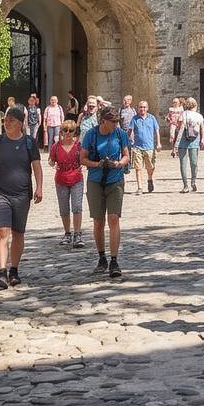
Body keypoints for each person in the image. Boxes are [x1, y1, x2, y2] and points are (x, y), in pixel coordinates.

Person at [0, 107, 43, 289]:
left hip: (22, 195)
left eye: (11, 120)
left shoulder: (29, 143)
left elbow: (37, 167)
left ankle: (14, 269)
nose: (6, 123)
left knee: (18, 233)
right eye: (5, 120)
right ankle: (2, 272)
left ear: (20, 123)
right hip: (1, 193)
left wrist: (39, 187)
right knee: (2, 232)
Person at [82, 103, 130, 278]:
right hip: (95, 180)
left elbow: (126, 155)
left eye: (117, 121)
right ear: (103, 121)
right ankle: (102, 256)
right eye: (113, 122)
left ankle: (114, 260)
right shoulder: (91, 135)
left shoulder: (120, 134)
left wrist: (118, 163)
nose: (116, 125)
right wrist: (98, 164)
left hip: (115, 179)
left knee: (114, 218)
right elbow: (82, 158)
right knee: (98, 221)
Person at [49, 112, 87, 246]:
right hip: (61, 180)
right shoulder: (56, 147)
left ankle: (77, 234)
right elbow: (51, 160)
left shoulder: (79, 146)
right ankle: (67, 233)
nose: (68, 133)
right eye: (65, 130)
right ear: (61, 132)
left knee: (77, 207)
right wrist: (52, 163)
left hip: (76, 178)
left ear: (75, 132)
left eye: (71, 131)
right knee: (64, 208)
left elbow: (84, 159)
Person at [174, 97, 204, 193]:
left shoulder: (183, 114)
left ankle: (185, 185)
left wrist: (175, 144)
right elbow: (202, 128)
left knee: (183, 164)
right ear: (195, 105)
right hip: (195, 140)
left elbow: (179, 128)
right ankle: (193, 181)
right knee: (194, 163)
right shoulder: (199, 116)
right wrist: (202, 139)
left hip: (183, 141)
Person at [130, 99, 161, 194]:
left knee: (150, 167)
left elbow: (157, 131)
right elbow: (130, 131)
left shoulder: (152, 118)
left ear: (147, 108)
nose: (142, 109)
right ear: (138, 108)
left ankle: (150, 179)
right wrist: (127, 142)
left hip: (149, 147)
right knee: (138, 168)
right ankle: (140, 187)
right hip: (137, 147)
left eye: (144, 107)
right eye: (140, 107)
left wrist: (158, 143)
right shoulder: (134, 119)